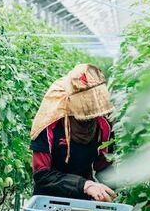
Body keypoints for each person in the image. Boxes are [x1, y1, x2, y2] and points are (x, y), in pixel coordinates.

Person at [29, 63, 116, 202]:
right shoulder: (49, 125)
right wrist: (85, 185)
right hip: (47, 202)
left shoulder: (102, 126)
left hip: (83, 200)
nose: (91, 114)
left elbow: (103, 165)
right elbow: (41, 175)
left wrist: (115, 190)